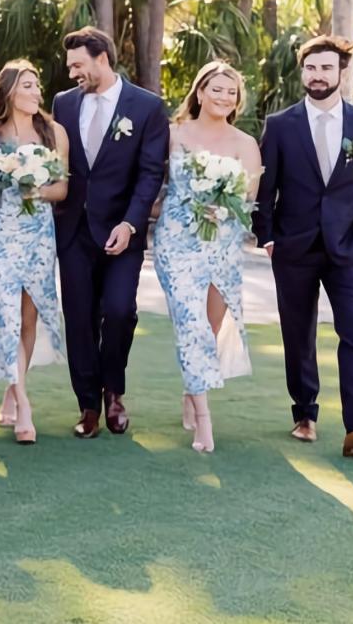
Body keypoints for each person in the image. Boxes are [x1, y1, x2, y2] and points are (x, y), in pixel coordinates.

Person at [255, 35, 353, 457]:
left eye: (326, 68)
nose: (318, 75)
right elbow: (264, 187)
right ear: (303, 72)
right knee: (298, 335)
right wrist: (268, 235)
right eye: (311, 68)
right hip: (293, 248)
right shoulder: (279, 125)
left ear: (341, 72)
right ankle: (305, 413)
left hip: (349, 249)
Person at [51, 27, 169, 438]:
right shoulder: (63, 104)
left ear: (102, 58)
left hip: (123, 231)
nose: (72, 73)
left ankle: (114, 391)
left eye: (78, 64)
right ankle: (88, 406)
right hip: (73, 230)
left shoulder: (148, 106)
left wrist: (131, 222)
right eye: (70, 66)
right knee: (79, 319)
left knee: (119, 311)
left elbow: (151, 172)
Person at [153, 61, 260, 454]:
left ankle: (191, 388)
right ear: (199, 93)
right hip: (177, 242)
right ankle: (203, 418)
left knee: (211, 327)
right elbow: (151, 177)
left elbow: (248, 199)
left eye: (231, 92)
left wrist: (223, 206)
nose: (223, 97)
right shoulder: (173, 134)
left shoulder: (245, 143)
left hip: (222, 246)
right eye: (216, 89)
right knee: (191, 324)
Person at [0, 61, 68, 444]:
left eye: (37, 85)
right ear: (10, 90)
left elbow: (61, 189)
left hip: (38, 233)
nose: (36, 92)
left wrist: (36, 190)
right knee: (7, 317)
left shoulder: (53, 131)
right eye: (28, 85)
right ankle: (24, 404)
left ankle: (12, 388)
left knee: (28, 317)